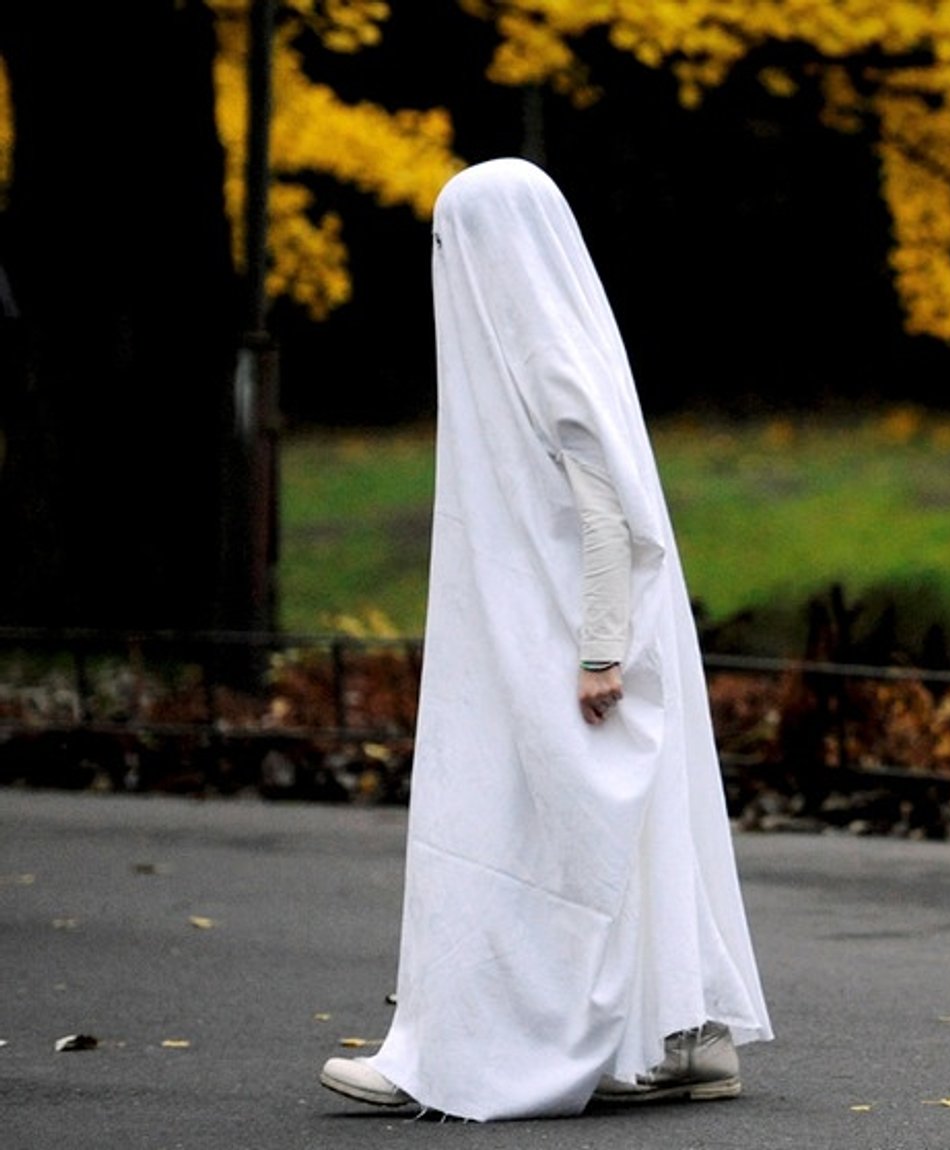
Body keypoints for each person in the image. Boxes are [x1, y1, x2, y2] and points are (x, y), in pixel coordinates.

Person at [318, 158, 772, 1120]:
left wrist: (602, 649)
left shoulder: (541, 351)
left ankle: (453, 1054)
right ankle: (691, 1041)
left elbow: (610, 512)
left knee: (507, 829)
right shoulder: (556, 345)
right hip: (554, 640)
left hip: (564, 648)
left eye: (452, 242)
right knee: (595, 839)